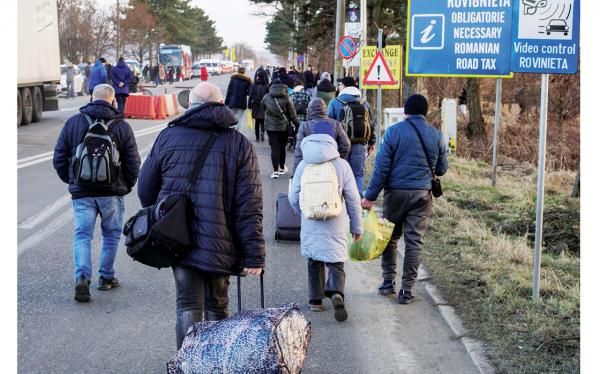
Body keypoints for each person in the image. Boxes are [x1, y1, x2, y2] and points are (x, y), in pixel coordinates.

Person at [136, 82, 265, 349]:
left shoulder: (168, 137)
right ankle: (214, 362)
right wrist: (253, 254)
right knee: (217, 305)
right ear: (221, 105)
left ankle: (187, 363)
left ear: (190, 105)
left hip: (177, 237)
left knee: (187, 304)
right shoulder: (239, 144)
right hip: (221, 239)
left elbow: (146, 190)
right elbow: (249, 204)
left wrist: (162, 218)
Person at [52, 84, 141, 302]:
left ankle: (82, 276)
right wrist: (124, 186)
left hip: (82, 192)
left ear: (91, 98)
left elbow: (59, 157)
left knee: (83, 234)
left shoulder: (74, 122)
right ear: (112, 101)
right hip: (111, 193)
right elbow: (133, 163)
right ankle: (106, 277)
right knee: (110, 235)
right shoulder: (122, 126)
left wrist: (72, 180)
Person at [361, 94, 448, 304]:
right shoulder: (437, 135)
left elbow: (381, 168)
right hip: (422, 195)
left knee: (390, 238)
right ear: (425, 112)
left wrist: (370, 196)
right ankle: (407, 290)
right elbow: (441, 169)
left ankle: (387, 282)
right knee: (414, 243)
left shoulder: (393, 132)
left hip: (395, 194)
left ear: (406, 112)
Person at [288, 125, 362, 322]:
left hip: (311, 219)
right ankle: (336, 292)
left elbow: (293, 196)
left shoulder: (304, 164)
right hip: (335, 220)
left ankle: (315, 301)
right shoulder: (342, 165)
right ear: (332, 140)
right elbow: (354, 199)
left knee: (314, 260)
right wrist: (356, 227)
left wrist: (303, 212)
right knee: (336, 261)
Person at [327, 76, 376, 195]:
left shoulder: (335, 102)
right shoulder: (364, 103)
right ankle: (357, 201)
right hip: (359, 144)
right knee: (358, 174)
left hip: (341, 145)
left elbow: (329, 123)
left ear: (343, 86)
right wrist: (371, 142)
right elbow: (371, 123)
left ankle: (342, 201)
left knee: (341, 173)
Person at [294, 98, 350, 173]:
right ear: (325, 110)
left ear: (309, 111)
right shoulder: (336, 124)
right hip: (332, 165)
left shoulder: (304, 126)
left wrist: (296, 172)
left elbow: (299, 151)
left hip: (310, 165)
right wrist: (337, 157)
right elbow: (346, 145)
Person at [260, 78, 299, 179]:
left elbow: (262, 107)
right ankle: (282, 167)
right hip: (283, 127)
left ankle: (275, 171)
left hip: (270, 127)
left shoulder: (266, 97)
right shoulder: (286, 97)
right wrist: (297, 124)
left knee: (274, 148)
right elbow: (292, 113)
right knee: (282, 147)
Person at [224, 66, 252, 131]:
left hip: (232, 102)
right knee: (239, 119)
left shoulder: (233, 79)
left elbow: (229, 91)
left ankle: (232, 131)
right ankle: (237, 132)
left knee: (232, 118)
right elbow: (249, 93)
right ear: (244, 72)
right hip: (242, 103)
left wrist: (226, 102)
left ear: (238, 71)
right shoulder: (247, 81)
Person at [248, 68, 269, 142]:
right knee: (263, 120)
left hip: (255, 104)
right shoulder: (266, 85)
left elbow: (251, 95)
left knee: (257, 121)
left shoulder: (254, 85)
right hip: (264, 105)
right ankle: (262, 131)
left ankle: (257, 137)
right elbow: (268, 95)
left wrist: (249, 105)